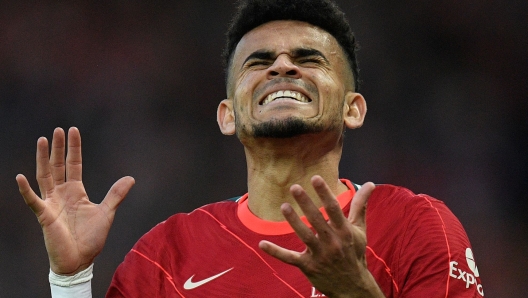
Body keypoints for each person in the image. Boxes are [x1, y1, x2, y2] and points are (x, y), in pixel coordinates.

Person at [16, 0, 484, 297]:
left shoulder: (417, 227)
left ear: (353, 108)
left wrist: (355, 293)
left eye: (309, 58)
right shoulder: (166, 255)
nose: (282, 66)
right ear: (228, 115)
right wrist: (70, 282)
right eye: (258, 62)